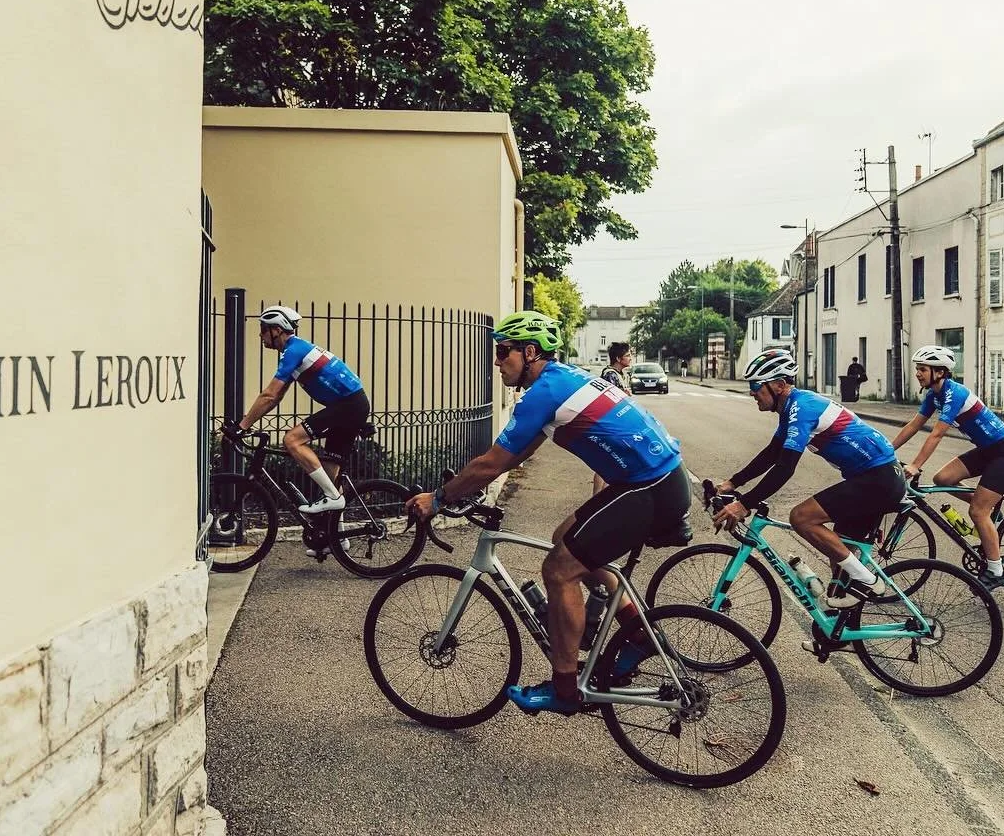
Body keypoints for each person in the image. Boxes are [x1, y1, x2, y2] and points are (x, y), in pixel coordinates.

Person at [405, 311, 694, 715]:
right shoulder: (563, 380)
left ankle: (565, 688)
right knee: (564, 537)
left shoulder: (544, 393)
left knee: (559, 569)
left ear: (529, 352)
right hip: (656, 480)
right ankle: (639, 635)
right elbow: (514, 455)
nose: (496, 360)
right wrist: (466, 489)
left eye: (502, 351)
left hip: (648, 487)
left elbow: (492, 463)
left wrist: (437, 499)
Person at [712, 349, 905, 628]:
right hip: (873, 477)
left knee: (801, 517)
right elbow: (772, 453)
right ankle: (841, 631)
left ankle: (868, 581)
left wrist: (744, 504)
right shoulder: (791, 408)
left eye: (756, 387)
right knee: (839, 552)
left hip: (879, 479)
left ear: (778, 385)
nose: (752, 393)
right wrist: (733, 483)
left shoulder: (801, 409)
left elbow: (785, 467)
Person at [228, 305, 370, 558]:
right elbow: (276, 397)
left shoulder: (294, 350)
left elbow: (269, 394)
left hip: (347, 406)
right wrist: (249, 422)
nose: (260, 336)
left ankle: (332, 498)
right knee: (329, 471)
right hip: (350, 405)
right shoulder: (296, 350)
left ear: (276, 330)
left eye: (263, 331)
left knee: (292, 439)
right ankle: (335, 539)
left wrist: (242, 427)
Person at [889, 345, 1004, 590]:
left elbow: (937, 434)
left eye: (922, 369)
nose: (918, 374)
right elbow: (914, 425)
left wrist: (915, 464)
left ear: (940, 372)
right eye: (917, 369)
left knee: (977, 512)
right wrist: (887, 450)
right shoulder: (933, 395)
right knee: (943, 479)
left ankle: (996, 571)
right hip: (988, 450)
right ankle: (988, 505)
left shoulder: (955, 393)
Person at [593, 343, 634, 496]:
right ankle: (596, 499)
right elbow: (608, 400)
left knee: (612, 462)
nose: (631, 358)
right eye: (628, 355)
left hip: (619, 423)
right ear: (618, 358)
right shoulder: (610, 374)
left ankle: (602, 497)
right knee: (605, 461)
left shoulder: (623, 374)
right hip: (609, 424)